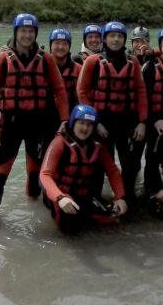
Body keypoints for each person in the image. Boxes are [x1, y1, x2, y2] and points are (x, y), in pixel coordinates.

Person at [0, 13, 70, 219]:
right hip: (10, 125)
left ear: (36, 33)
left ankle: (33, 210)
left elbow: (59, 90)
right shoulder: (2, 59)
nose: (27, 35)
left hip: (37, 125)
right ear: (16, 32)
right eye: (23, 31)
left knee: (35, 174)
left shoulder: (46, 58)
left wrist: (65, 120)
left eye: (31, 31)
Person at [76, 21, 149, 205]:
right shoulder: (93, 61)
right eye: (112, 36)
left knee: (130, 165)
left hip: (127, 122)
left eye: (119, 36)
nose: (115, 39)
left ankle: (126, 199)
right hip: (102, 123)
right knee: (99, 165)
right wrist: (95, 122)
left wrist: (142, 121)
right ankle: (95, 200)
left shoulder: (132, 61)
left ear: (124, 39)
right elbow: (82, 92)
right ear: (105, 38)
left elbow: (141, 92)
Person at [39, 104, 128, 234]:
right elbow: (45, 175)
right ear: (73, 123)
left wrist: (120, 197)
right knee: (70, 228)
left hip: (84, 195)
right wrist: (60, 198)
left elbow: (113, 172)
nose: (85, 128)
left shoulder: (98, 148)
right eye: (81, 123)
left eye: (89, 124)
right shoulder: (59, 143)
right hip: (61, 195)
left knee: (114, 220)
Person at [47, 28, 81, 110]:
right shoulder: (42, 67)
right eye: (57, 43)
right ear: (50, 45)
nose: (61, 47)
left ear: (69, 47)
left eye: (65, 44)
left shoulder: (79, 69)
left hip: (72, 112)